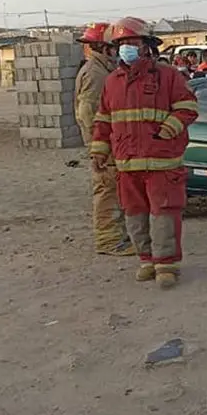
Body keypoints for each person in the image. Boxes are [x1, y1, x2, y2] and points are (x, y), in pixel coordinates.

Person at [91, 17, 198, 289]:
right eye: (121, 44)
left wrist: (168, 129)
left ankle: (166, 264)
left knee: (164, 214)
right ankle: (147, 260)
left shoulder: (168, 76)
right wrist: (99, 151)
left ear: (147, 45)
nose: (125, 48)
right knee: (134, 215)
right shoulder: (112, 81)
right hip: (127, 165)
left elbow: (188, 108)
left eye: (131, 42)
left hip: (162, 163)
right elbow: (103, 119)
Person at [73, 22, 133, 257]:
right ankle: (109, 241)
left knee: (113, 190)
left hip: (108, 143)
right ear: (105, 48)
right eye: (115, 47)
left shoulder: (102, 70)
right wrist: (99, 146)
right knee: (107, 192)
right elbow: (88, 113)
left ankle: (118, 236)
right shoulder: (95, 74)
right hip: (104, 146)